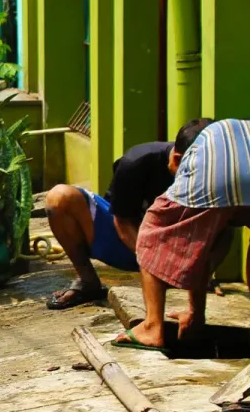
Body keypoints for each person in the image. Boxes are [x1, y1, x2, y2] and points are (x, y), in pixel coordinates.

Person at [45, 119, 215, 310]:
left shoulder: (217, 173)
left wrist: (202, 274)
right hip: (129, 241)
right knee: (59, 197)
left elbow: (223, 227)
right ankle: (87, 280)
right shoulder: (136, 162)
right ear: (176, 159)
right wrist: (154, 266)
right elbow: (122, 222)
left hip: (175, 250)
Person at [117, 119, 250, 351]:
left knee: (152, 233)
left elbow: (193, 244)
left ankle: (152, 327)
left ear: (177, 159)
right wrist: (196, 313)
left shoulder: (199, 154)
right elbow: (204, 247)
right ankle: (196, 317)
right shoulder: (233, 134)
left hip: (217, 179)